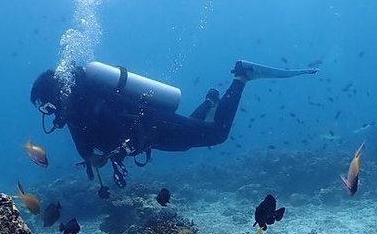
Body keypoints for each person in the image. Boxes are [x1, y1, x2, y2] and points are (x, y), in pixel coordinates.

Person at [30, 60, 317, 188]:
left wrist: (111, 155)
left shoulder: (89, 101)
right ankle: (209, 100)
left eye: (46, 105)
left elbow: (114, 132)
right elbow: (90, 153)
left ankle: (241, 77)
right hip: (156, 134)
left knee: (217, 134)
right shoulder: (75, 112)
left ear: (55, 95)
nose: (49, 113)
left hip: (156, 126)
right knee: (189, 136)